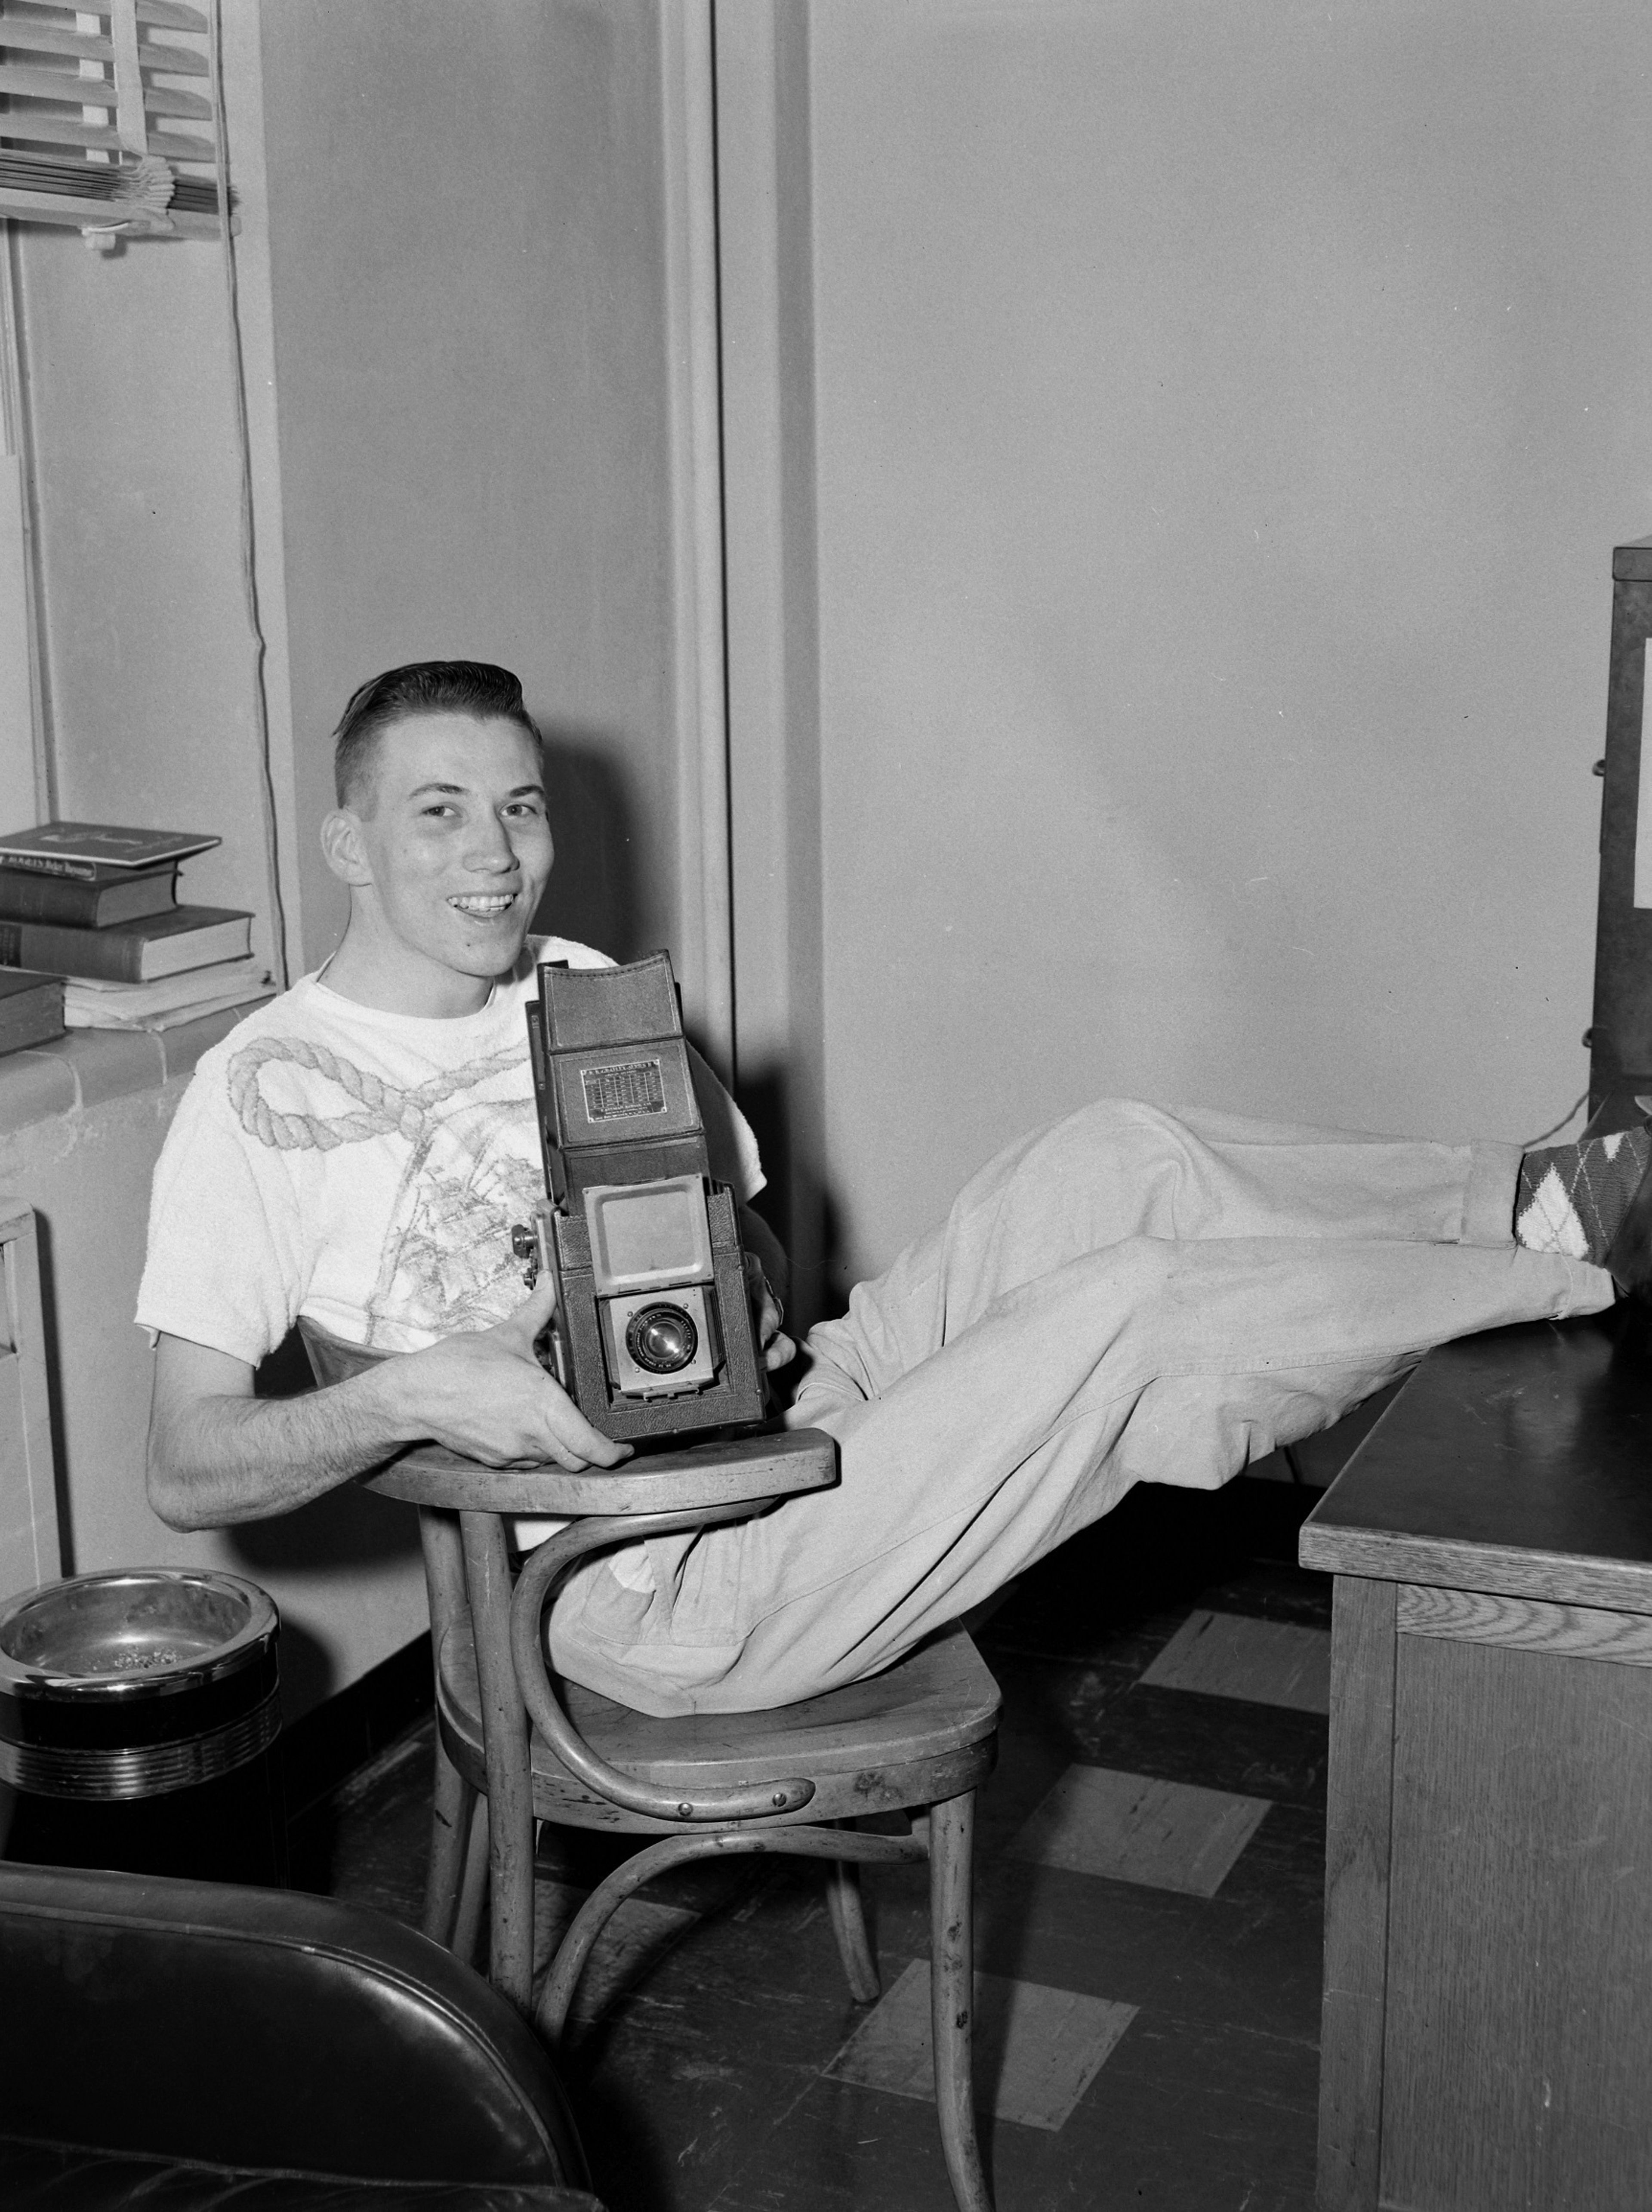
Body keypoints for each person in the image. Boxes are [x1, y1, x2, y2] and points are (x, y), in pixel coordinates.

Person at [140, 660, 1641, 1718]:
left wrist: (735, 1291)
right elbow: (188, 1464)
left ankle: (1530, 1197)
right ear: (347, 841)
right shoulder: (260, 1092)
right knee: (1137, 1306)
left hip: (779, 1430)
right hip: (626, 1582)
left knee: (1117, 1153)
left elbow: (758, 1242)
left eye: (520, 809)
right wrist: (417, 1394)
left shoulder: (581, 991)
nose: (496, 855)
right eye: (440, 811)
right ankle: (1583, 1272)